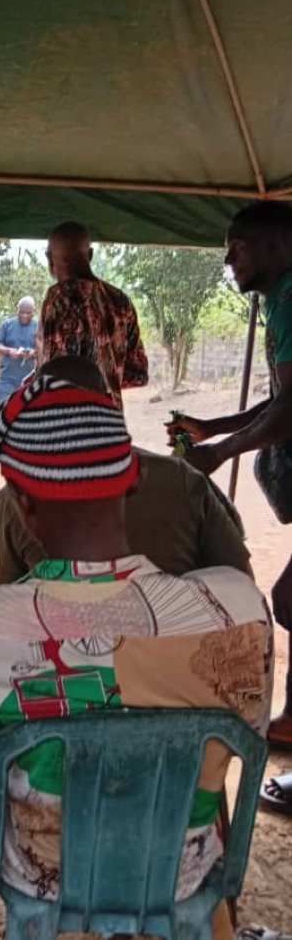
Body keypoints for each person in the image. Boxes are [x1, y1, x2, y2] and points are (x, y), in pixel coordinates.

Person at [0, 374, 270, 940]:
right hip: (177, 865)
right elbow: (251, 729)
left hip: (44, 865)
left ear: (22, 506)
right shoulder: (237, 609)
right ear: (133, 480)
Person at [167, 200, 292, 806]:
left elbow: (290, 411)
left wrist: (220, 455)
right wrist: (210, 427)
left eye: (238, 246)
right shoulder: (281, 300)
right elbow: (279, 401)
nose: (228, 258)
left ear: (274, 246)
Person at [0, 357, 253, 584]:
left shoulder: (18, 496)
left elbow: (4, 605)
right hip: (173, 636)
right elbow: (243, 584)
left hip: (61, 636)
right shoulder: (182, 479)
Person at [38, 221, 148, 407]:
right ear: (90, 255)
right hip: (109, 425)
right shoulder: (121, 302)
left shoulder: (56, 300)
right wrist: (108, 376)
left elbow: (49, 377)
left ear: (49, 258)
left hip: (65, 425)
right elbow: (138, 375)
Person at [0, 295, 37, 403]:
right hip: (7, 381)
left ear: (34, 312)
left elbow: (45, 349)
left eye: (28, 313)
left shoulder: (39, 326)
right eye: (21, 312)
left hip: (29, 382)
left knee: (26, 415)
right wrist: (9, 351)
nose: (24, 315)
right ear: (17, 310)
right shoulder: (7, 324)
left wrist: (33, 353)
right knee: (2, 411)